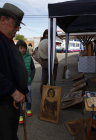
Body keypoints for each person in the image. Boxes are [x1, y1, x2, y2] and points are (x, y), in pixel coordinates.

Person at [0, 3, 28, 140]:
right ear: (3, 20)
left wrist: (22, 89)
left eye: (19, 26)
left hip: (12, 101)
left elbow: (15, 68)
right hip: (3, 102)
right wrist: (13, 91)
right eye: (15, 24)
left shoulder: (8, 40)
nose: (17, 29)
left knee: (11, 134)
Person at [16, 40, 35, 124]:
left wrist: (31, 78)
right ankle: (20, 114)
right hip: (18, 83)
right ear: (17, 48)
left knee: (29, 96)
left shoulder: (29, 57)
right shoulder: (15, 57)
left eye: (24, 48)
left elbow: (33, 68)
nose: (23, 49)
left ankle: (28, 109)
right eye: (21, 48)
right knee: (20, 98)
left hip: (28, 82)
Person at [38, 29, 58, 95]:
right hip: (51, 63)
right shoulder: (51, 42)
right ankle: (52, 96)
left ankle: (42, 94)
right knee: (52, 80)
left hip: (44, 63)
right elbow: (54, 56)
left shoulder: (40, 42)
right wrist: (55, 63)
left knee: (44, 80)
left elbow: (39, 56)